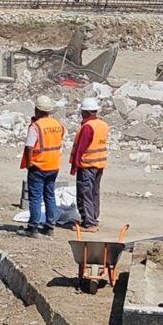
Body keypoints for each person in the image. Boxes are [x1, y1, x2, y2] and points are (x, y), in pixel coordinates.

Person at [21, 95, 65, 237]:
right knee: (50, 196)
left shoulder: (36, 126)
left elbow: (29, 147)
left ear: (37, 110)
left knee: (35, 198)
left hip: (38, 165)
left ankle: (33, 228)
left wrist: (28, 163)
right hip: (53, 165)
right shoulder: (57, 124)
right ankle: (49, 226)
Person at [70, 97, 109, 233]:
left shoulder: (87, 127)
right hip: (99, 164)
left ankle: (89, 223)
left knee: (85, 193)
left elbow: (81, 148)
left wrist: (74, 166)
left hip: (87, 165)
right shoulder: (102, 125)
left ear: (84, 112)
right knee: (94, 193)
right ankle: (93, 218)